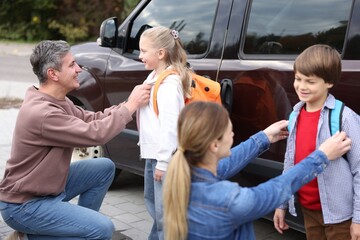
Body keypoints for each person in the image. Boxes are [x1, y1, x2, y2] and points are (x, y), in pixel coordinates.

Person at [0, 40, 151, 240]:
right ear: (53, 74)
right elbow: (94, 134)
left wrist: (128, 104)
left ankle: (80, 228)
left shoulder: (58, 101)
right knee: (103, 228)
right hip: (24, 204)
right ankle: (27, 237)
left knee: (104, 167)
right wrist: (130, 106)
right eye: (71, 65)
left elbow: (93, 119)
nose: (79, 69)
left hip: (48, 189)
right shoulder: (44, 113)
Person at [163, 101, 351, 240]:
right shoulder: (228, 200)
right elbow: (274, 190)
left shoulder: (181, 173)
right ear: (214, 145)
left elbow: (227, 164)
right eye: (229, 130)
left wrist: (263, 138)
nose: (233, 134)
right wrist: (322, 156)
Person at [273, 44, 360, 239]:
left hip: (341, 217)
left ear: (329, 82)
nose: (301, 86)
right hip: (309, 210)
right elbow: (290, 164)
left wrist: (358, 220)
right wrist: (282, 203)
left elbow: (359, 169)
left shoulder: (344, 118)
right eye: (298, 79)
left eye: (310, 81)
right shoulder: (295, 115)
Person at [137, 26, 192, 240]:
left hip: (164, 158)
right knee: (155, 207)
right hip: (154, 155)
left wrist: (163, 162)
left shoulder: (169, 83)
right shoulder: (154, 76)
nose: (140, 56)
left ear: (161, 53)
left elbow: (171, 126)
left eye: (143, 51)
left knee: (165, 213)